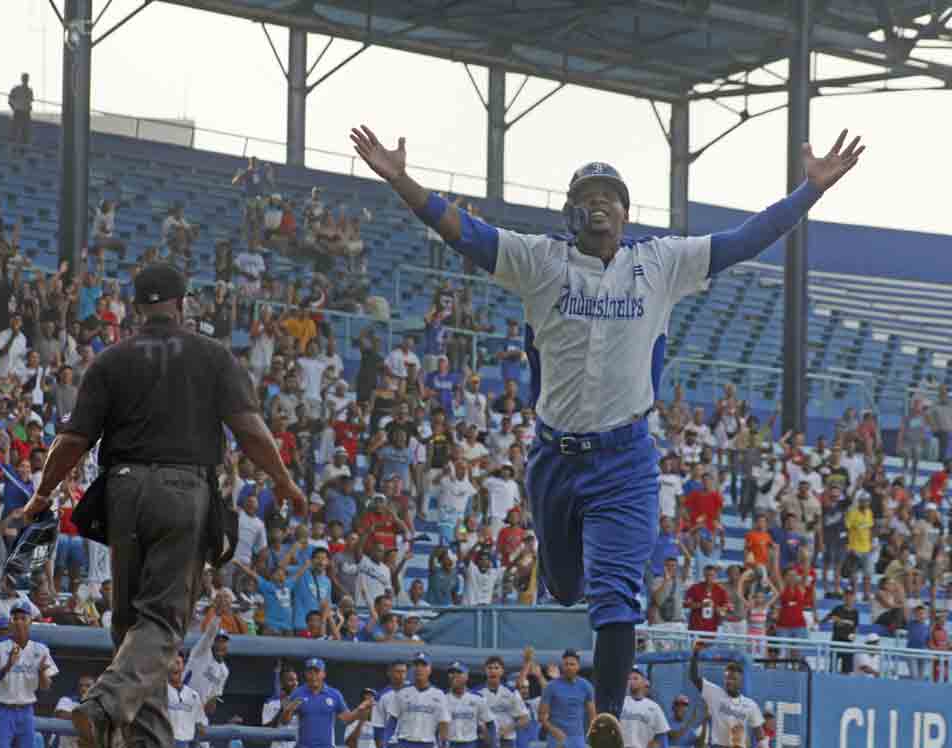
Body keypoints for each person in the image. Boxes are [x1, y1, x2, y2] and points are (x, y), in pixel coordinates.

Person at [350, 122, 866, 717]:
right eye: (587, 196)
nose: (598, 203)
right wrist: (400, 180)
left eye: (610, 196)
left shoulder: (661, 264)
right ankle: (557, 559)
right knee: (565, 586)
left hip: (625, 459)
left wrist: (811, 190)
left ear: (625, 214)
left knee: (617, 599)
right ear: (571, 213)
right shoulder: (538, 259)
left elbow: (746, 238)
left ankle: (607, 718)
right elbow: (461, 231)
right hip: (553, 458)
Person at [21, 263, 304, 748]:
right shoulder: (212, 356)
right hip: (181, 490)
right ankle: (106, 703)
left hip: (123, 492)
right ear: (181, 303)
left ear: (137, 307)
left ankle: (145, 741)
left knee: (132, 630)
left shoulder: (111, 360)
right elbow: (250, 430)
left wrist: (43, 492)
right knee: (164, 621)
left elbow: (72, 440)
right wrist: (283, 479)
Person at [0, 601, 58, 748]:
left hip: (26, 711)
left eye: (23, 618)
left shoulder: (40, 648)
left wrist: (41, 673)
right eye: (15, 618)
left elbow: (46, 687)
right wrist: (7, 666)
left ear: (30, 621)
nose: (19, 622)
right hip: (1, 710)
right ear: (10, 622)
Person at [279, 658, 372, 748]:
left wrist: (360, 709)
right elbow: (284, 722)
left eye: (317, 672)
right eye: (310, 672)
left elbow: (347, 719)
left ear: (323, 674)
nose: (313, 676)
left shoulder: (334, 694)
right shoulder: (298, 693)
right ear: (305, 674)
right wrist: (288, 710)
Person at [688, 644, 764, 748]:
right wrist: (695, 654)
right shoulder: (714, 693)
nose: (729, 681)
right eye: (727, 678)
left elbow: (760, 735)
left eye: (733, 678)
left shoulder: (750, 705)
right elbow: (693, 677)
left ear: (740, 681)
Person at [387, 652, 450, 747]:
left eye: (423, 665)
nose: (419, 669)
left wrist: (444, 745)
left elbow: (443, 723)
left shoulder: (439, 694)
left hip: (427, 743)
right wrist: (386, 742)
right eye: (416, 665)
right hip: (404, 742)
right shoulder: (402, 692)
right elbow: (392, 720)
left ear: (430, 670)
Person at [539, 649, 596, 748]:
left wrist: (592, 737)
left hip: (578, 739)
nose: (569, 667)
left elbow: (593, 716)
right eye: (566, 664)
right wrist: (555, 731)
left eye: (572, 664)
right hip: (555, 739)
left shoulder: (586, 686)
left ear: (578, 666)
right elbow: (541, 717)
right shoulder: (551, 687)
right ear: (562, 666)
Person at [478, 657, 528, 748]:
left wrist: (507, 730)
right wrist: (484, 731)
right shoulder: (477, 693)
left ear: (502, 671)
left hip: (506, 740)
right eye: (489, 668)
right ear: (485, 670)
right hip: (484, 740)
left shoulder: (511, 692)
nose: (493, 671)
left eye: (496, 668)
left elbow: (524, 718)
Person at [183, 621, 230, 718]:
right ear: (212, 642)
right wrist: (217, 617)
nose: (220, 644)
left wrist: (212, 702)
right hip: (183, 702)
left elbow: (214, 695)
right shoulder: (201, 652)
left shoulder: (224, 671)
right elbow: (208, 635)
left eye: (223, 641)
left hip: (199, 710)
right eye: (218, 641)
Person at [446, 661, 497, 748]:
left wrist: (492, 743)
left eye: (459, 672)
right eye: (451, 673)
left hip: (470, 744)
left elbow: (490, 723)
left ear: (466, 676)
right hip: (449, 744)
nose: (454, 675)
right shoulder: (441, 697)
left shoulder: (478, 698)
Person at [619, 669, 668, 748]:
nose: (631, 681)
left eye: (635, 678)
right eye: (629, 679)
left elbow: (661, 736)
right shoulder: (620, 703)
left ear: (645, 682)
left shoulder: (654, 707)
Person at [167, 652, 206, 748]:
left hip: (185, 743)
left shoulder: (194, 695)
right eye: (171, 663)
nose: (174, 667)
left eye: (177, 663)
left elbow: (200, 723)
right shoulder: (159, 692)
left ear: (183, 667)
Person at [371, 660, 408, 748]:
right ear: (389, 673)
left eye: (404, 672)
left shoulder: (414, 692)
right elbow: (378, 727)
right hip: (392, 743)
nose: (401, 675)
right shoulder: (381, 696)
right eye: (398, 671)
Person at [54, 675, 97, 748]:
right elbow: (61, 715)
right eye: (81, 686)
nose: (83, 688)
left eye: (88, 686)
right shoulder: (67, 700)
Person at [8, 74, 33, 144]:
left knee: (25, 132)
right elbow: (10, 100)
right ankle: (14, 144)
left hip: (25, 112)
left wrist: (28, 108)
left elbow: (30, 102)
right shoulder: (16, 89)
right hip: (19, 112)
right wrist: (14, 108)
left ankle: (22, 146)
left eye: (26, 79)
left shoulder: (29, 90)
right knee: (15, 131)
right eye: (25, 78)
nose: (26, 80)